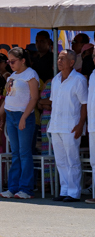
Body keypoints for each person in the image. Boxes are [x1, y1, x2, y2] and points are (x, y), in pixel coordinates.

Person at [0, 46, 39, 200]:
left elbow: (34, 98)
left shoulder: (31, 74)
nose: (10, 63)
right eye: (8, 61)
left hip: (22, 115)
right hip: (11, 115)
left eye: (13, 61)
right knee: (15, 153)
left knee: (24, 153)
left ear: (23, 60)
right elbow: (8, 97)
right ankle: (13, 188)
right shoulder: (12, 76)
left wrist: (24, 117)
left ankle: (26, 189)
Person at [47, 49, 86, 202]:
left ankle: (74, 192)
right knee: (61, 160)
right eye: (58, 58)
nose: (59, 61)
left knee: (72, 160)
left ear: (72, 62)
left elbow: (84, 103)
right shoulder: (55, 80)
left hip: (71, 125)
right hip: (56, 125)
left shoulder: (79, 79)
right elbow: (53, 103)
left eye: (63, 58)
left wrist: (80, 123)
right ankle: (64, 190)